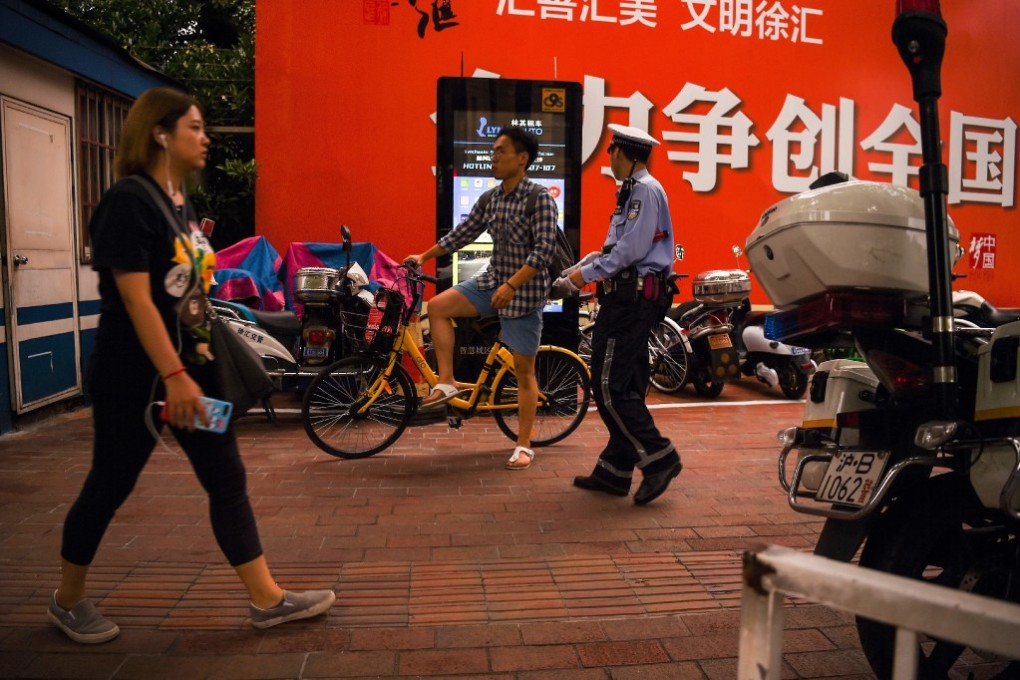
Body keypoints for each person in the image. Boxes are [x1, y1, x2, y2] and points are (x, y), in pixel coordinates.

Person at [49, 88, 335, 644]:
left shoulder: (176, 203)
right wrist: (176, 378)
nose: (206, 138)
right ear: (160, 132)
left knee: (226, 477)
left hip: (192, 379)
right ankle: (68, 599)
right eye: (196, 128)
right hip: (137, 381)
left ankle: (267, 600)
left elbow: (188, 296)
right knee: (110, 483)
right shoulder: (129, 202)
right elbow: (136, 303)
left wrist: (195, 372)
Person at [405, 126, 558, 471]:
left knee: (523, 372)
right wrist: (423, 255)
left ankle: (523, 445)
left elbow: (545, 250)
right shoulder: (491, 198)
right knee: (440, 307)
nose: (494, 156)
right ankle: (447, 382)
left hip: (525, 295)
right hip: (492, 282)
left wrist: (513, 285)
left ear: (522, 159)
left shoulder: (539, 198)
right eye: (493, 150)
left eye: (501, 151)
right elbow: (462, 234)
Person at [555, 124, 682, 505]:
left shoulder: (643, 190)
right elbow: (615, 248)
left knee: (608, 387)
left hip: (631, 303)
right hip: (628, 300)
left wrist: (580, 277)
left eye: (612, 152)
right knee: (625, 387)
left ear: (627, 156)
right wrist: (582, 266)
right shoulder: (630, 192)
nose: (608, 158)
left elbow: (630, 251)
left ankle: (661, 458)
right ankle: (615, 471)